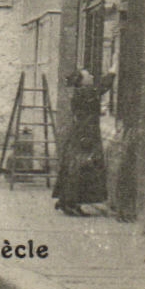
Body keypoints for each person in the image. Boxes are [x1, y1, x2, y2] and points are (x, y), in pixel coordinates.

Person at [53, 70, 108, 216]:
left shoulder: (79, 93)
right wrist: (112, 72)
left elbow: (88, 109)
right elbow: (102, 88)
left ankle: (67, 201)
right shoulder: (84, 92)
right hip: (85, 134)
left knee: (75, 168)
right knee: (80, 169)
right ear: (81, 81)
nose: (92, 76)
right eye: (88, 75)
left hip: (80, 133)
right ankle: (71, 202)